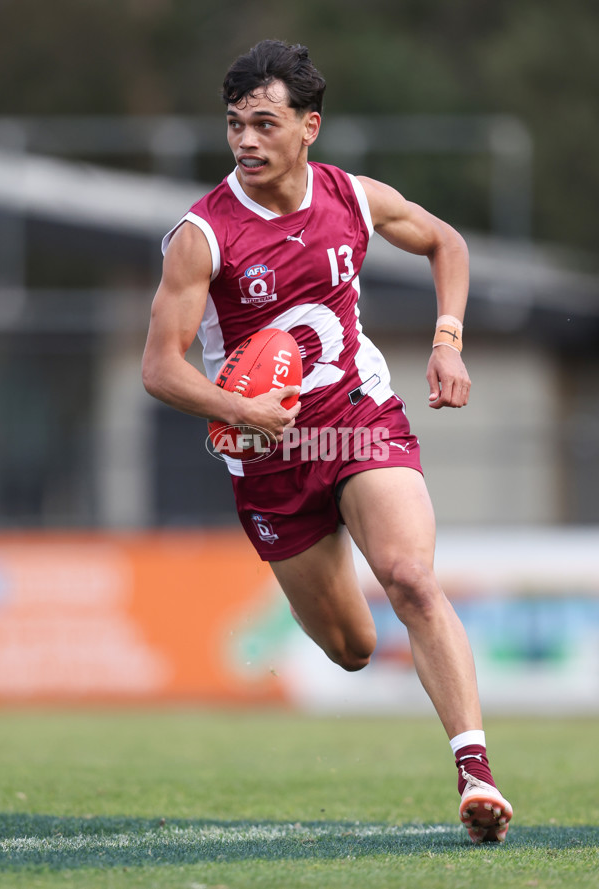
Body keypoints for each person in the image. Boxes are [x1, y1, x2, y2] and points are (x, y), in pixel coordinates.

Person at [142, 39, 513, 843]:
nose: (246, 141)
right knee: (349, 647)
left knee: (412, 578)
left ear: (309, 126)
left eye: (265, 124)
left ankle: (475, 773)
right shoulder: (202, 236)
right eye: (236, 124)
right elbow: (158, 369)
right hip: (269, 458)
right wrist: (242, 414)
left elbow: (446, 240)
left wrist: (447, 339)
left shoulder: (351, 196)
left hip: (358, 419)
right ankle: (380, 638)